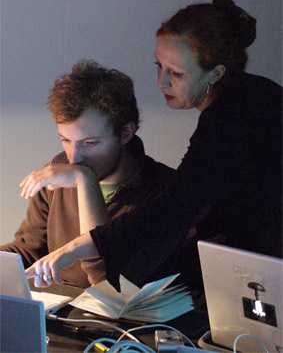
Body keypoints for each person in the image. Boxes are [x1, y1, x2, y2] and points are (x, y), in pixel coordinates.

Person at [25, 0, 282, 293]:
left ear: (216, 73)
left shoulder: (239, 111)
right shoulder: (248, 100)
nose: (162, 82)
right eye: (159, 66)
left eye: (177, 73)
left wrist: (78, 248)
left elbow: (174, 207)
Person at [1, 59, 174, 288]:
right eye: (66, 140)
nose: (74, 158)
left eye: (90, 143)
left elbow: (110, 286)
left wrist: (85, 181)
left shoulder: (165, 190)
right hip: (62, 316)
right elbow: (26, 251)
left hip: (119, 319)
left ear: (125, 133)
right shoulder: (58, 170)